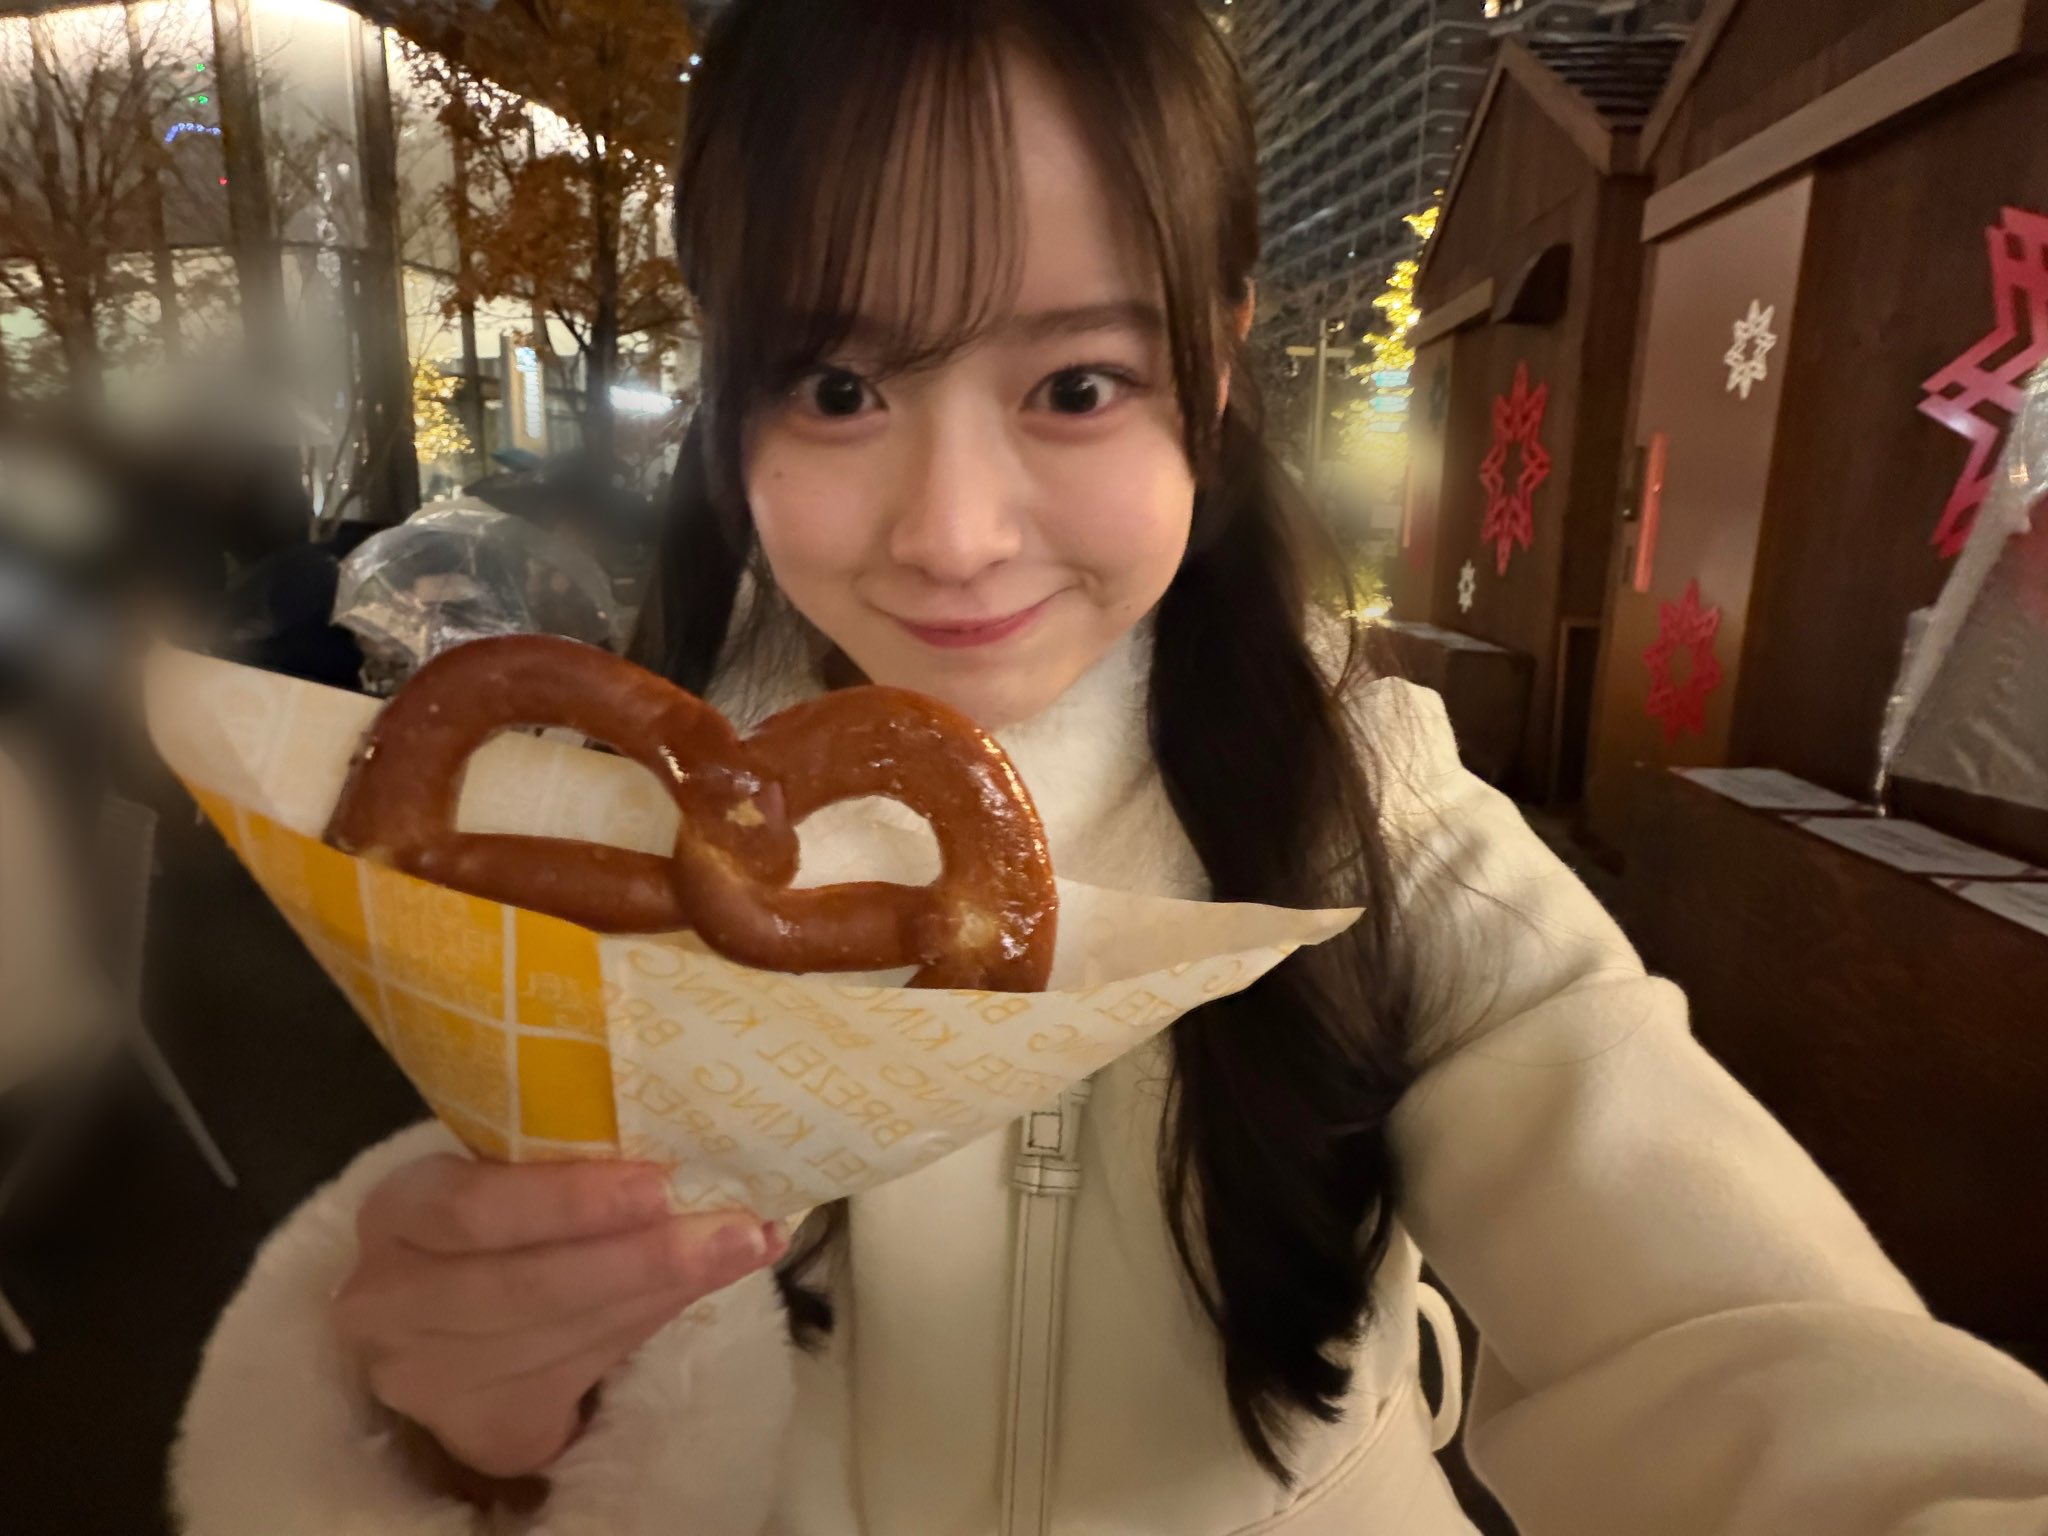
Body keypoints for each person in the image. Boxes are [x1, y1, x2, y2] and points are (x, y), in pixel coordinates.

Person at [170, 2, 2048, 1532]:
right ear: (733, 398)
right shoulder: (598, 841)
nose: (955, 533)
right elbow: (545, 1396)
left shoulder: (1375, 830)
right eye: (840, 387)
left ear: (1212, 375)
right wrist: (465, 1445)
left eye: (1076, 385)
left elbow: (1731, 1329)